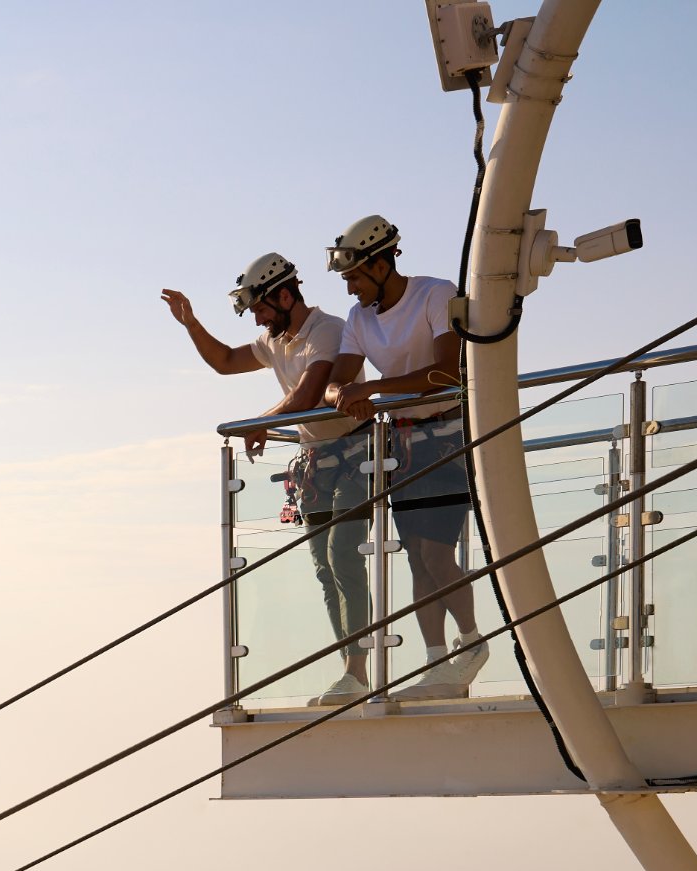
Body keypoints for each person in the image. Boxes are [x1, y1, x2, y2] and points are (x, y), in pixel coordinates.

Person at [163, 254, 372, 699]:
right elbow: (224, 361)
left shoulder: (327, 330)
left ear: (284, 294)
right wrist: (190, 324)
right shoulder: (276, 339)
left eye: (260, 307)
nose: (257, 317)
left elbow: (310, 391)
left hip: (357, 451)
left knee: (344, 556)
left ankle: (358, 670)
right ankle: (351, 671)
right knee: (324, 568)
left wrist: (261, 421)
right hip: (316, 456)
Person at [324, 214, 488, 699]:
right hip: (404, 445)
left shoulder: (435, 294)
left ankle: (472, 642)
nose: (350, 288)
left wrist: (371, 388)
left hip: (449, 439)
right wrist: (342, 394)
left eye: (354, 276)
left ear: (380, 262)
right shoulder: (358, 319)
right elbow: (339, 379)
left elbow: (447, 373)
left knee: (438, 551)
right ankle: (437, 662)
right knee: (418, 558)